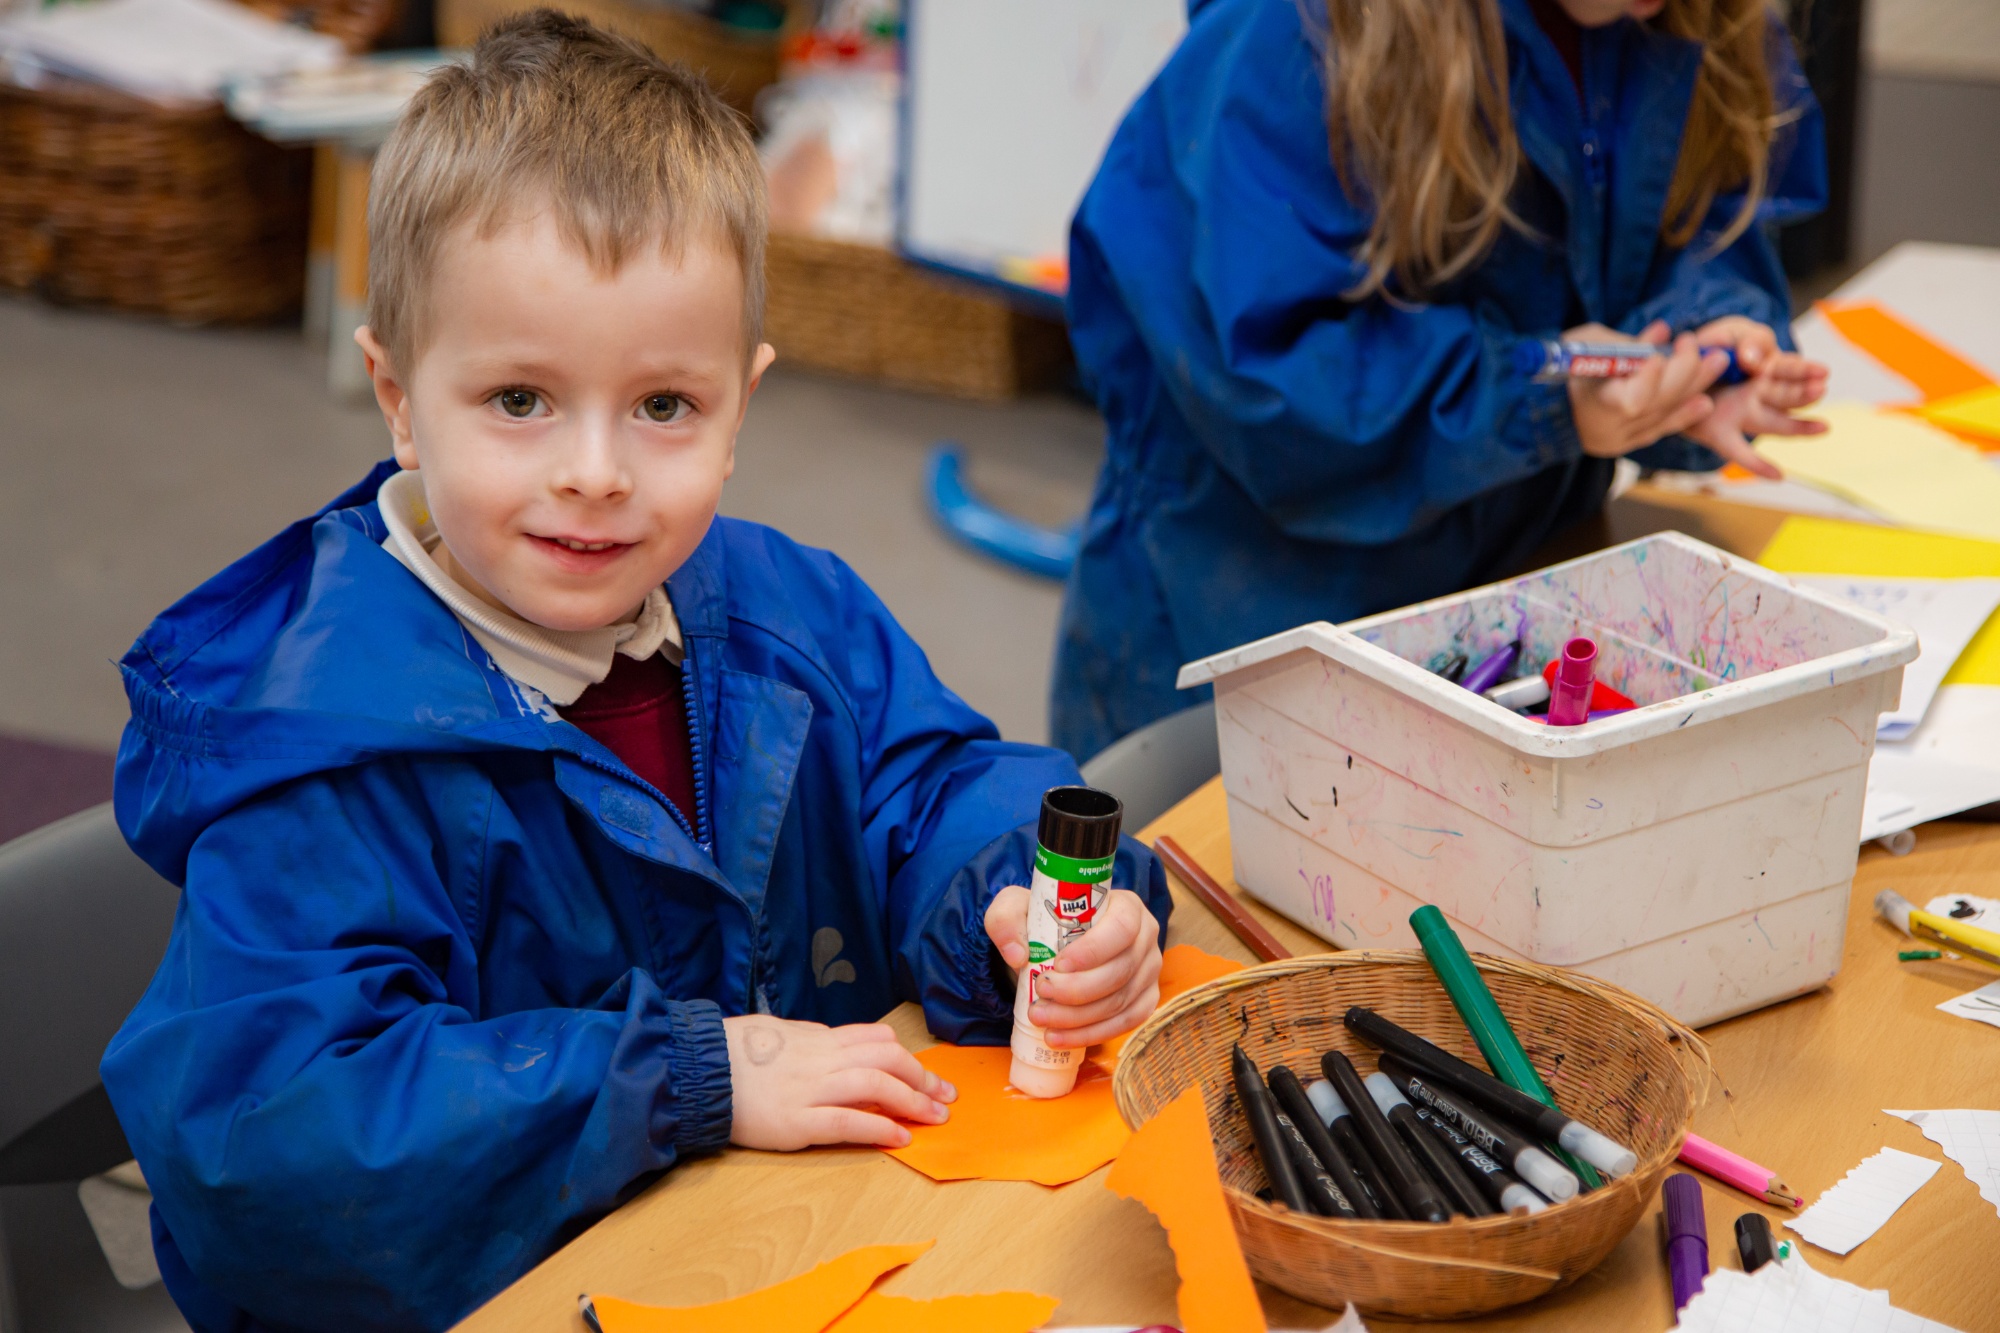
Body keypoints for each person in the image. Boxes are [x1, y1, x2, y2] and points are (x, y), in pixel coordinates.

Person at [100, 15, 1169, 1331]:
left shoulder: (790, 613)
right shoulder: (327, 750)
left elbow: (938, 779)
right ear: (395, 393)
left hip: (783, 1255)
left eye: (665, 406)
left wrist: (1026, 907)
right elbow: (267, 1142)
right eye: (519, 402)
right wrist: (690, 1077)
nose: (596, 473)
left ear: (741, 401)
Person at [1051, 0, 1831, 761]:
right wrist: (1541, 405)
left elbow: (1702, 223)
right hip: (1251, 621)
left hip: (1508, 604)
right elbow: (1275, 383)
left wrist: (1705, 346)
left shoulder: (1695, 17)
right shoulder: (1285, 35)